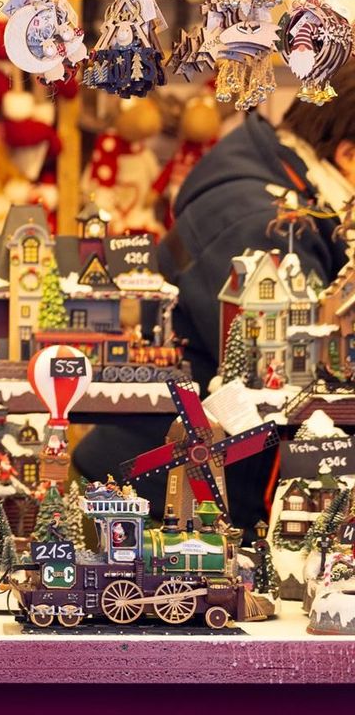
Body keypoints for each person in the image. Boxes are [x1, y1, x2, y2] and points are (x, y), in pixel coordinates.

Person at [76, 68, 355, 531]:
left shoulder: (284, 189)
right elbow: (302, 386)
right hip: (155, 504)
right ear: (347, 156)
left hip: (193, 490)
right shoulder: (266, 224)